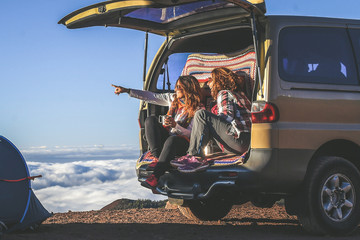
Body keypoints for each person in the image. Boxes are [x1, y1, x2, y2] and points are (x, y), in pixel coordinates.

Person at [112, 75, 203, 189]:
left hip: (183, 143)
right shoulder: (173, 99)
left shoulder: (198, 109)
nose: (175, 89)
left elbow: (192, 134)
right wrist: (127, 91)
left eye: (179, 87)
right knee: (150, 120)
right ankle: (158, 157)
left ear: (187, 88)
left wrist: (176, 126)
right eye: (176, 86)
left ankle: (155, 176)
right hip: (168, 139)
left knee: (172, 139)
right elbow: (151, 96)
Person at [174, 67, 251, 169]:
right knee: (205, 118)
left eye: (210, 79)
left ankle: (195, 157)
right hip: (240, 144)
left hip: (240, 139)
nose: (207, 83)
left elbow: (226, 117)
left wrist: (209, 123)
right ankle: (193, 155)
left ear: (219, 81)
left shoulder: (224, 93)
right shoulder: (240, 94)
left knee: (202, 114)